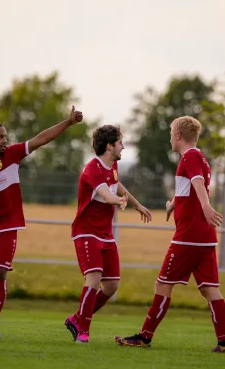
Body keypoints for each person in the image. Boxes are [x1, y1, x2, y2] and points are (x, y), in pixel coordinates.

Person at [0, 106, 83, 338]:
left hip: (7, 226)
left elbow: (41, 139)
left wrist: (68, 123)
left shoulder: (12, 154)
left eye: (6, 136)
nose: (5, 140)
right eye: (0, 136)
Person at [113, 116, 225, 353]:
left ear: (178, 135)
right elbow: (188, 189)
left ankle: (145, 337)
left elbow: (198, 183)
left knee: (163, 284)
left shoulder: (190, 156)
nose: (170, 138)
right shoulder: (198, 158)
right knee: (209, 288)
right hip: (205, 237)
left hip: (188, 236)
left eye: (171, 134)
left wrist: (206, 206)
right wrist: (172, 206)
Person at [64, 125, 152, 344]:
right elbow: (105, 193)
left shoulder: (112, 166)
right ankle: (82, 331)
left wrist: (136, 204)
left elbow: (116, 185)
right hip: (86, 232)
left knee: (111, 285)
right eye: (120, 142)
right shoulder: (92, 168)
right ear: (110, 146)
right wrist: (118, 201)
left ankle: (76, 319)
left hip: (105, 233)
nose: (123, 146)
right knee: (93, 279)